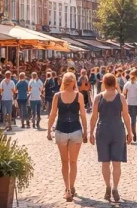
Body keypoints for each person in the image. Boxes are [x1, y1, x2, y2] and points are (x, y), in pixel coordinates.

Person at [90, 73, 132, 203]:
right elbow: (126, 116)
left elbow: (94, 117)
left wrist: (90, 132)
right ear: (114, 83)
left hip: (103, 131)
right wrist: (130, 132)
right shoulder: (121, 98)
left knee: (105, 163)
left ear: (103, 82)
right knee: (117, 163)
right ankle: (115, 188)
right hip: (117, 130)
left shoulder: (98, 98)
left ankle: (107, 186)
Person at [47, 72, 88, 202]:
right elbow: (82, 115)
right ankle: (71, 186)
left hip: (61, 130)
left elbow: (53, 114)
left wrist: (48, 130)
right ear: (74, 82)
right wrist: (86, 131)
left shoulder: (57, 96)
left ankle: (67, 189)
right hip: (75, 130)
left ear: (63, 82)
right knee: (73, 162)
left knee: (64, 162)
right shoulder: (79, 96)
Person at [122, 70, 137, 142]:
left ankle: (130, 133)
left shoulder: (127, 84)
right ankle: (134, 133)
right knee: (133, 120)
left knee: (128, 119)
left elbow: (124, 93)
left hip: (129, 103)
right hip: (136, 103)